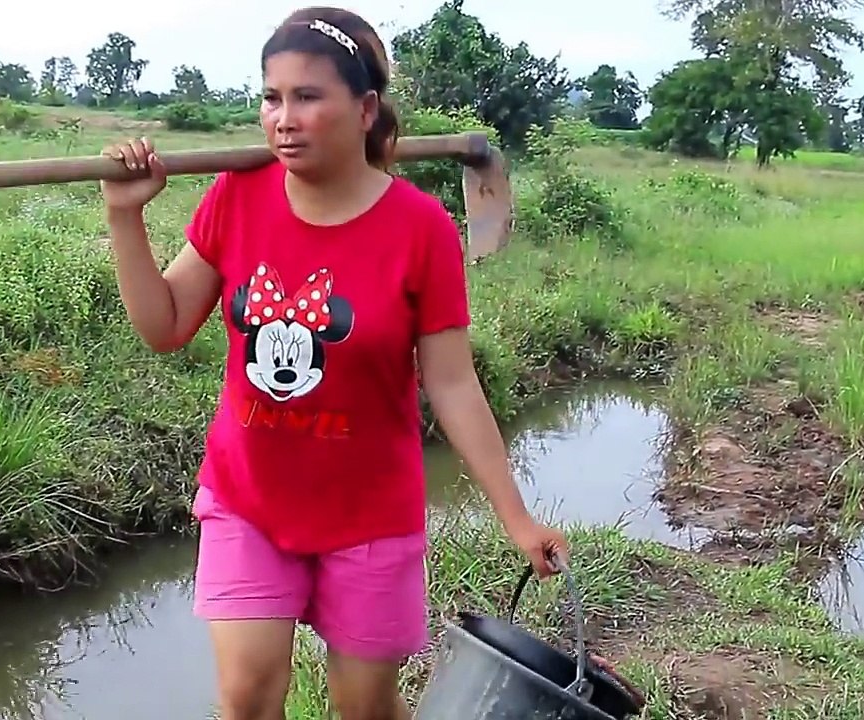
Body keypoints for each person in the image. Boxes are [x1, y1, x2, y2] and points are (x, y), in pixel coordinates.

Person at [98, 6, 569, 719]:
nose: (284, 118)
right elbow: (163, 325)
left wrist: (517, 517)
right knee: (248, 696)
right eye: (272, 97)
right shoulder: (236, 197)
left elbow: (451, 382)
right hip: (248, 498)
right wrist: (124, 217)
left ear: (365, 107)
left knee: (366, 709)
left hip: (369, 514)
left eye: (308, 97)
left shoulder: (420, 230)